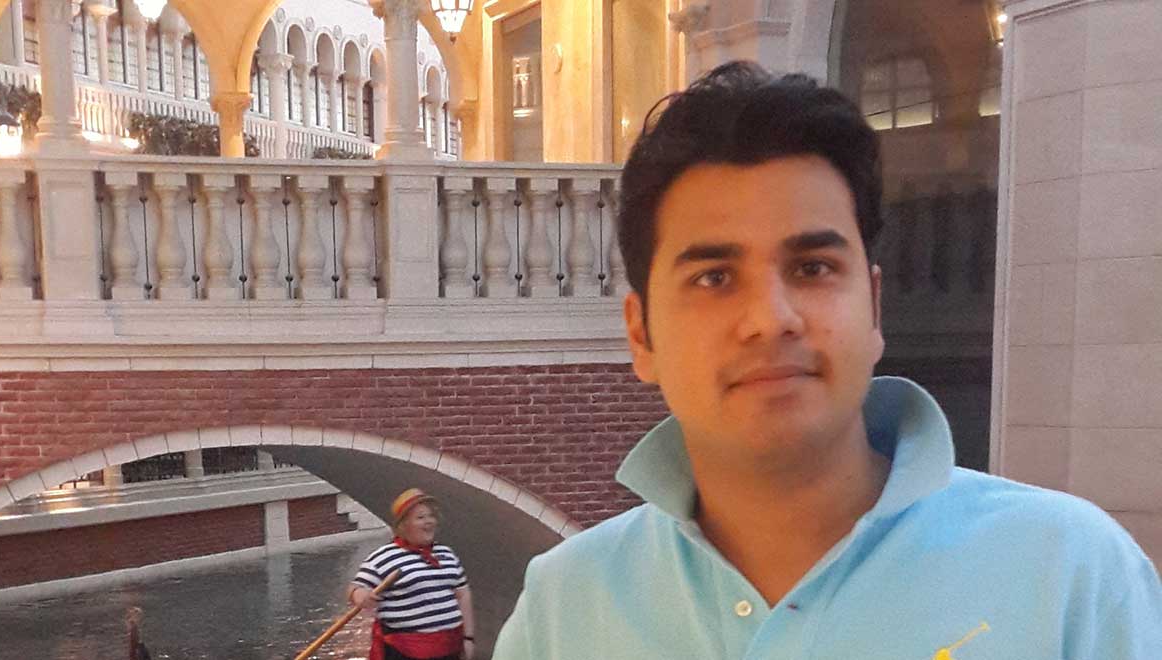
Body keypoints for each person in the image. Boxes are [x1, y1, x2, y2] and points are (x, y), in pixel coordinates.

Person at [492, 61, 1162, 659]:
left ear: (873, 306)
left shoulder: (1068, 575)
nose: (771, 318)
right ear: (641, 337)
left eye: (812, 267)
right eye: (714, 278)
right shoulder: (566, 608)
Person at [350, 488, 475, 660]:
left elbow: (463, 594)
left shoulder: (446, 554)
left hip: (451, 649)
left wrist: (468, 638)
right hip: (404, 652)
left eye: (431, 516)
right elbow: (355, 588)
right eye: (421, 517)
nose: (429, 521)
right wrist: (360, 595)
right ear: (404, 525)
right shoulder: (383, 557)